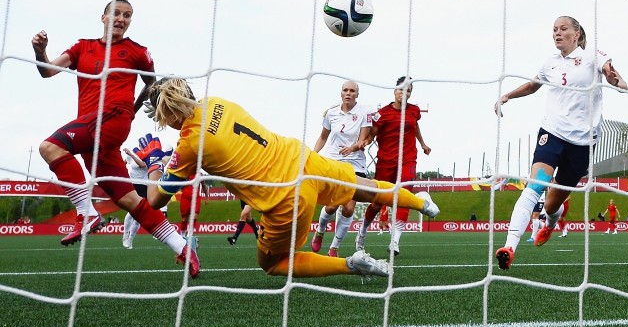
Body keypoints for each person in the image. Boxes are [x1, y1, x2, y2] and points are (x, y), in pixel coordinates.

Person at [138, 77, 440, 279]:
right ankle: (420, 202)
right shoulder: (217, 102)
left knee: (273, 264)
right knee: (365, 188)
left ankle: (350, 264)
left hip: (284, 194)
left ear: (166, 113)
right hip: (301, 157)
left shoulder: (189, 143)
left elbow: (154, 201)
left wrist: (153, 160)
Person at [31, 0, 199, 278]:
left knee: (49, 148)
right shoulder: (82, 47)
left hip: (112, 120)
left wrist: (131, 111)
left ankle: (88, 213)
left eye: (127, 15)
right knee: (129, 201)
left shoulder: (137, 52)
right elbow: (47, 71)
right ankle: (183, 247)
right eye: (117, 13)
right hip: (90, 130)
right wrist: (40, 51)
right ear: (104, 17)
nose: (121, 19)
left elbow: (152, 86)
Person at [494, 16, 627, 270]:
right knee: (534, 188)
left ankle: (551, 224)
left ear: (576, 34)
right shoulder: (550, 64)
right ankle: (509, 247)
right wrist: (508, 95)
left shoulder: (593, 56)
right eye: (554, 29)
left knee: (554, 205)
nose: (557, 33)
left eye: (563, 29)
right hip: (552, 134)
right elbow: (534, 85)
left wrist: (616, 81)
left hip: (582, 145)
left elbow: (615, 76)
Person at [355, 76, 439, 256]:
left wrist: (423, 144)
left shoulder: (414, 111)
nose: (404, 93)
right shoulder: (383, 113)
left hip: (408, 159)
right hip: (386, 161)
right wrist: (365, 142)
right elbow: (372, 134)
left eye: (408, 90)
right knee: (378, 202)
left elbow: (414, 126)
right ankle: (361, 234)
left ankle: (395, 240)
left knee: (405, 195)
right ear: (395, 91)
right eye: (401, 89)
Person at [310, 81, 373, 257]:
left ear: (357, 94)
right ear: (341, 93)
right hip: (334, 163)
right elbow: (323, 137)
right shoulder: (331, 113)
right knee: (331, 207)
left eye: (352, 91)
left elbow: (362, 140)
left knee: (349, 208)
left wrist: (354, 147)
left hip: (355, 164)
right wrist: (313, 154)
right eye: (345, 90)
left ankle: (334, 247)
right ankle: (320, 231)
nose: (348, 93)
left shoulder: (364, 112)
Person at [122, 142, 171, 249]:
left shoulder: (149, 155)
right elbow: (123, 163)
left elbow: (142, 165)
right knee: (131, 212)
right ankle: (125, 235)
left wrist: (131, 154)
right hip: (135, 184)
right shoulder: (133, 153)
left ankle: (130, 238)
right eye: (143, 145)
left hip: (146, 186)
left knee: (139, 217)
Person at [178, 173, 208, 238]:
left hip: (195, 197)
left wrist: (206, 197)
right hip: (185, 198)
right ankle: (182, 235)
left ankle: (190, 235)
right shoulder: (185, 173)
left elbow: (204, 186)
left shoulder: (200, 175)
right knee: (184, 218)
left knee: (194, 216)